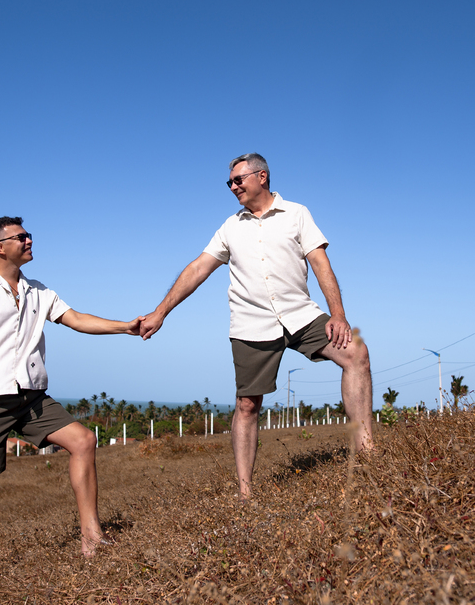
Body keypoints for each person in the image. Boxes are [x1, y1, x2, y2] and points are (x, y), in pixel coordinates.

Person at [137, 153, 373, 500]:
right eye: (229, 183)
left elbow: (321, 264)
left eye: (238, 180)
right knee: (248, 404)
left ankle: (368, 456)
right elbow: (197, 269)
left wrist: (337, 314)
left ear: (261, 177)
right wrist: (160, 312)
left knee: (356, 353)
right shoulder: (231, 227)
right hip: (251, 323)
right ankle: (245, 493)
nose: (233, 187)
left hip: (300, 314)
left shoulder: (297, 213)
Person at [0, 216, 139, 577]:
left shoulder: (39, 291)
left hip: (31, 395)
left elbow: (76, 318)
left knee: (82, 440)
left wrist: (124, 326)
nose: (29, 240)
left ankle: (92, 537)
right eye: (21, 237)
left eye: (28, 234)